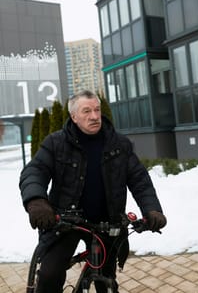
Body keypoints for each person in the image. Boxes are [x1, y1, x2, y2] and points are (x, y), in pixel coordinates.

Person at [19, 90, 167, 293]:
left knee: (106, 280)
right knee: (50, 275)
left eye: (97, 110)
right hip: (65, 223)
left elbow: (140, 180)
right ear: (74, 116)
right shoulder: (56, 143)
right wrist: (37, 201)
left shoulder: (120, 144)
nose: (95, 116)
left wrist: (152, 210)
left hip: (107, 224)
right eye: (86, 111)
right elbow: (34, 172)